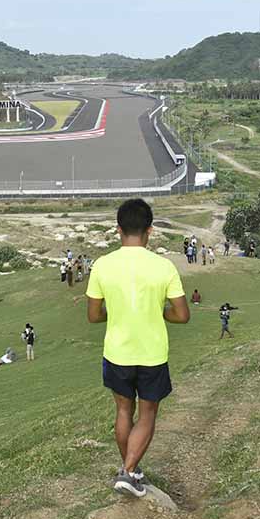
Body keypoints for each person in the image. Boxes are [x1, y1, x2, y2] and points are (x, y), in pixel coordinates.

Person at [86, 198, 190, 498]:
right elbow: (182, 315)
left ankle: (129, 467)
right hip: (151, 353)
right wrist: (159, 313)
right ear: (150, 231)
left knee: (123, 410)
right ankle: (129, 472)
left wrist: (114, 313)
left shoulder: (103, 265)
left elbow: (93, 316)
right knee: (147, 414)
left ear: (118, 230)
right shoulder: (163, 266)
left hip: (117, 352)